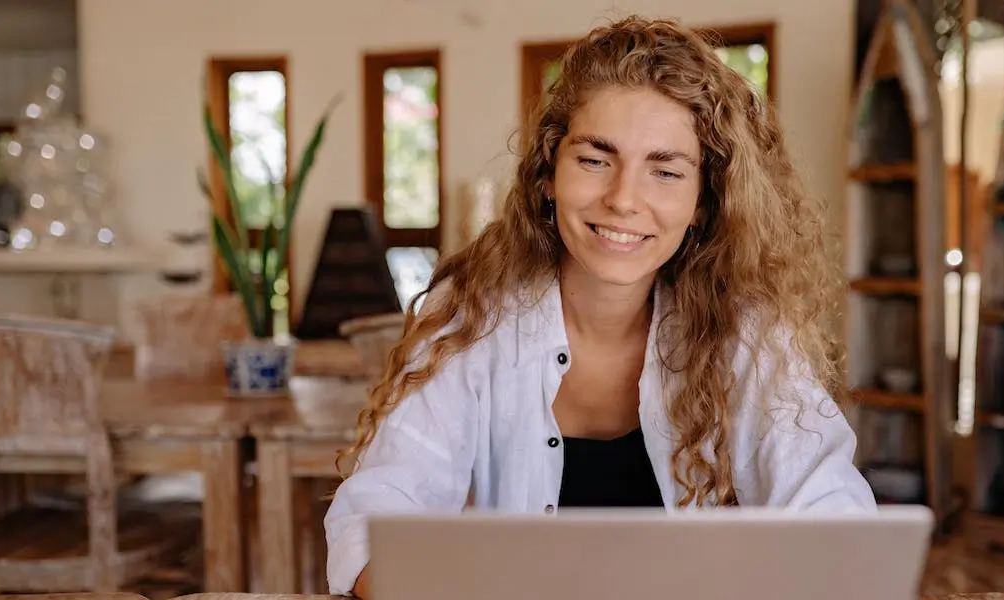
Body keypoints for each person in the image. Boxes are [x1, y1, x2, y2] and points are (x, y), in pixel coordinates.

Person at [324, 14, 877, 598]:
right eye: (594, 159)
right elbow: (375, 517)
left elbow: (832, 514)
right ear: (547, 174)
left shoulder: (744, 329)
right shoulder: (472, 314)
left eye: (664, 170)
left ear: (702, 203)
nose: (623, 200)